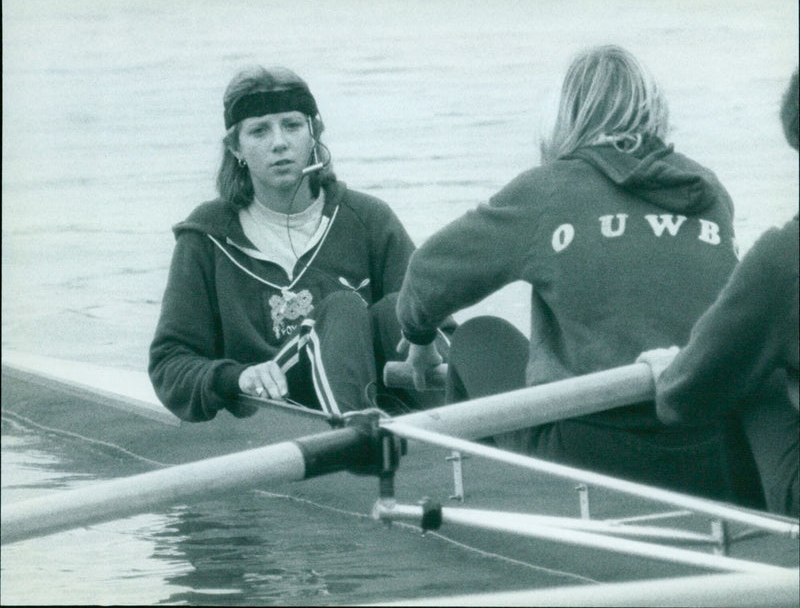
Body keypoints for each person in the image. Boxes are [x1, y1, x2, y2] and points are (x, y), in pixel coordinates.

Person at [395, 45, 744, 500]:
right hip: (709, 449)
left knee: (478, 336)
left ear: (566, 116)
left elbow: (425, 278)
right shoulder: (707, 189)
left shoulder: (549, 189)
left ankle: (471, 506)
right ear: (655, 111)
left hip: (595, 453)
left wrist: (420, 343)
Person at [149, 65, 450, 422]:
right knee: (344, 310)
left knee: (398, 310)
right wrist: (237, 376)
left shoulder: (368, 219)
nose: (279, 142)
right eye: (259, 130)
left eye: (292, 125)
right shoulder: (207, 238)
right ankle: (357, 444)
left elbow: (437, 333)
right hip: (276, 408)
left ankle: (477, 437)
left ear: (314, 132)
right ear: (236, 147)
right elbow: (169, 365)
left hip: (377, 402)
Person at [640, 69, 799, 516]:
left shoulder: (784, 257)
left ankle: (753, 533)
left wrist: (666, 368)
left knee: (753, 369)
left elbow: (682, 399)